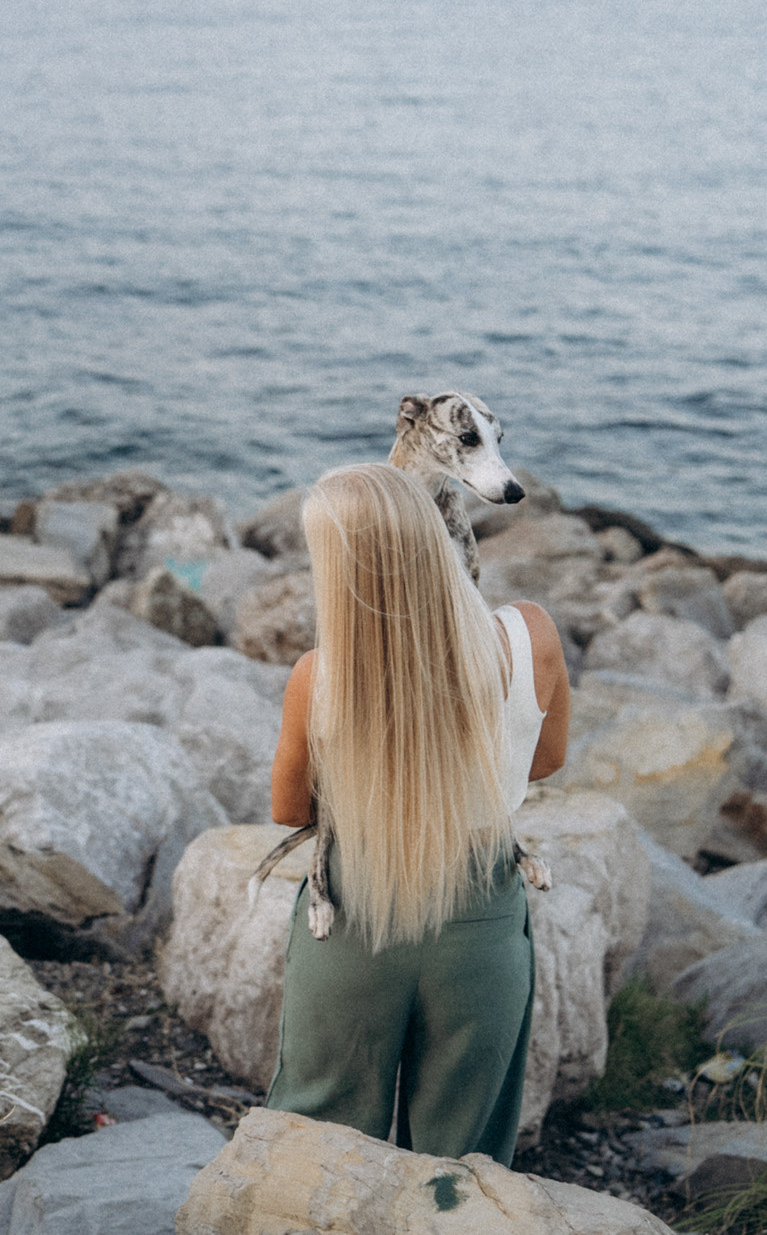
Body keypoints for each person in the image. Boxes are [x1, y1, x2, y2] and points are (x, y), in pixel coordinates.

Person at [264, 462, 570, 1165]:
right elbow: (546, 759)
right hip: (480, 916)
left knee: (319, 1147)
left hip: (354, 914)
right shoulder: (532, 635)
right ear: (434, 534)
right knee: (462, 1160)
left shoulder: (321, 675)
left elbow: (288, 808)